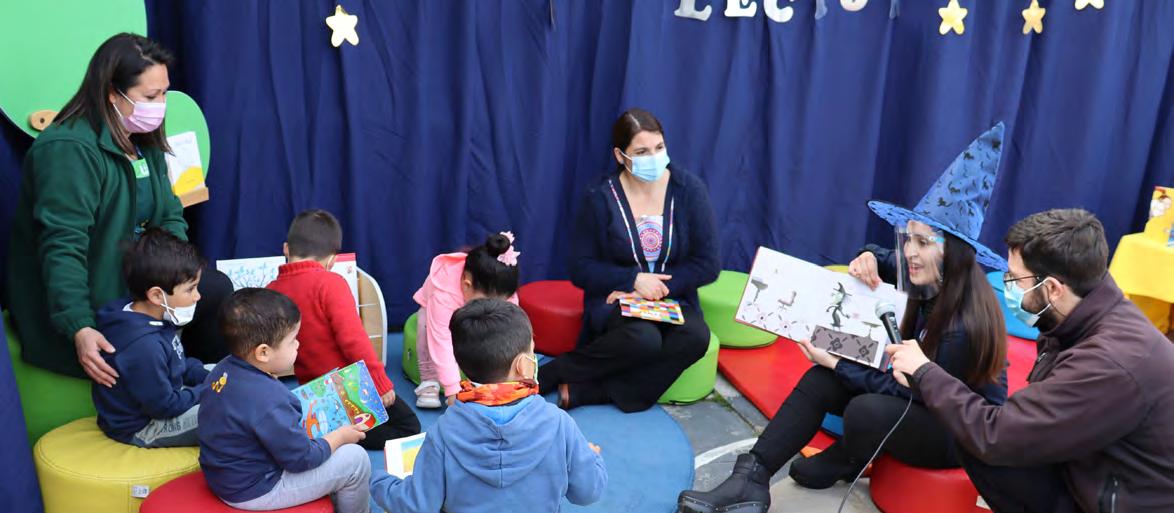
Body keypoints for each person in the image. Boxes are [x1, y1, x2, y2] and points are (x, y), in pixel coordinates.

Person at [678, 123, 1010, 513]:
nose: (909, 252)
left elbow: (908, 393)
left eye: (923, 242)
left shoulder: (963, 327)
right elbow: (880, 258)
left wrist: (838, 362)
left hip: (954, 430)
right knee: (821, 379)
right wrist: (867, 256)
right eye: (908, 238)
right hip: (913, 393)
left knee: (864, 409)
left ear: (954, 252)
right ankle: (750, 478)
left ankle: (846, 459)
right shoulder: (924, 272)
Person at [888, 209, 1174, 513]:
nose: (1006, 284)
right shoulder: (1080, 314)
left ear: (1052, 289)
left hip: (1126, 501)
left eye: (1015, 278)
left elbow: (996, 436)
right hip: (1092, 468)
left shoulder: (1109, 362)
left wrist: (925, 373)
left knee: (983, 443)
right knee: (971, 434)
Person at [6, 33, 232, 390]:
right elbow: (62, 247)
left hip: (134, 285)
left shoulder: (142, 139)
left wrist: (175, 275)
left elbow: (170, 214)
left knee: (216, 289)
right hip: (92, 297)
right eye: (150, 97)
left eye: (164, 93)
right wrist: (79, 326)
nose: (161, 106)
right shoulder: (68, 149)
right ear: (112, 93)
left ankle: (213, 394)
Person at [538, 108, 720, 412]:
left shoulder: (689, 191)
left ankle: (593, 392)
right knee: (643, 339)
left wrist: (654, 289)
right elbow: (580, 267)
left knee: (696, 336)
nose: (654, 157)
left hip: (673, 298)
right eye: (642, 152)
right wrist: (632, 281)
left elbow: (708, 263)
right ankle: (555, 373)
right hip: (616, 298)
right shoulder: (599, 196)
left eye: (659, 148)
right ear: (620, 156)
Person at [371, 299, 606, 513]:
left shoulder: (444, 431)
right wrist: (591, 458)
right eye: (532, 351)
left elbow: (416, 505)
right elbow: (588, 492)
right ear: (522, 365)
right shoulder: (560, 424)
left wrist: (379, 481)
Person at [198, 288, 370, 513]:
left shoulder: (221, 368)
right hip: (257, 489)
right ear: (263, 353)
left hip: (224, 476)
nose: (298, 344)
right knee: (356, 460)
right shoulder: (269, 398)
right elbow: (302, 459)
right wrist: (341, 437)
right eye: (292, 340)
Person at [266, 209, 421, 448]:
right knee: (409, 427)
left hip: (311, 394)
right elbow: (354, 340)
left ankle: (329, 431)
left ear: (286, 249)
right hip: (350, 388)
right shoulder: (331, 284)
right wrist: (379, 382)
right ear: (332, 260)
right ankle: (341, 437)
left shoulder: (271, 290)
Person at [92, 228, 209, 447]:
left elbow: (178, 363)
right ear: (156, 295)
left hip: (165, 396)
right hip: (144, 426)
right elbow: (164, 407)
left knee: (229, 370)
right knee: (233, 410)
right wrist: (207, 390)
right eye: (191, 289)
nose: (198, 296)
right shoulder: (143, 346)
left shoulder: (146, 312)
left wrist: (210, 376)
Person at [411, 232, 521, 408]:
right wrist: (453, 390)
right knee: (424, 326)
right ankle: (429, 379)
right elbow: (441, 340)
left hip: (471, 312)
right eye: (487, 303)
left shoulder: (500, 288)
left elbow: (512, 319)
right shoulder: (443, 293)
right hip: (436, 308)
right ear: (466, 285)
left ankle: (481, 376)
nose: (494, 306)